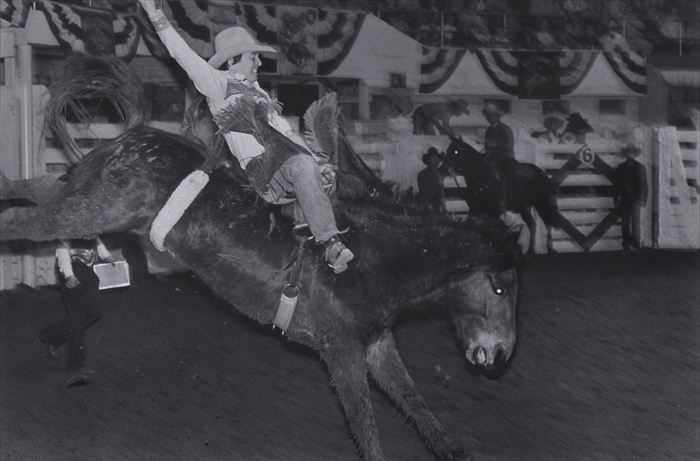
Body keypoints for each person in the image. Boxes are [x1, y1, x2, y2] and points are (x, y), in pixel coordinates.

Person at [138, 0, 353, 274]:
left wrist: (318, 164)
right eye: (254, 57)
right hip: (264, 173)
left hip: (287, 163)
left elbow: (287, 134)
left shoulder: (261, 94)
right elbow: (183, 55)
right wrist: (156, 15)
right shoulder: (217, 86)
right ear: (232, 61)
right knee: (302, 165)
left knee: (320, 169)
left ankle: (305, 221)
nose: (260, 62)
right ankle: (330, 245)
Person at [39, 238, 113, 387]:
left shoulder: (91, 224)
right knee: (77, 321)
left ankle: (51, 337)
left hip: (88, 272)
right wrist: (69, 275)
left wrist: (107, 256)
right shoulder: (70, 227)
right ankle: (75, 368)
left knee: (95, 313)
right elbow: (62, 250)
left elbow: (97, 240)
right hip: (72, 271)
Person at [612, 145, 648, 251]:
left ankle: (636, 243)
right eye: (628, 153)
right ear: (625, 155)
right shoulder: (620, 167)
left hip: (635, 199)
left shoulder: (640, 167)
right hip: (624, 199)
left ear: (635, 154)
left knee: (635, 222)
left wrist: (642, 199)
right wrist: (616, 198)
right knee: (625, 222)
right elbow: (617, 185)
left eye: (632, 153)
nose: (630, 155)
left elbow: (643, 185)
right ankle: (626, 243)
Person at [482, 102, 514, 211]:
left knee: (502, 176)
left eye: (492, 116)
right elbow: (487, 146)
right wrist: (487, 153)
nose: (489, 118)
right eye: (488, 116)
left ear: (497, 116)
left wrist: (494, 144)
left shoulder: (505, 129)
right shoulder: (489, 130)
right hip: (492, 159)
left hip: (505, 157)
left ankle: (503, 201)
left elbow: (508, 144)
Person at [417, 147, 446, 212]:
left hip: (439, 206)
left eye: (436, 158)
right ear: (428, 160)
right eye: (432, 158)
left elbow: (441, 192)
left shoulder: (441, 173)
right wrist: (428, 204)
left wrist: (443, 205)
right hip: (427, 206)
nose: (435, 160)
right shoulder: (422, 174)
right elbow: (423, 192)